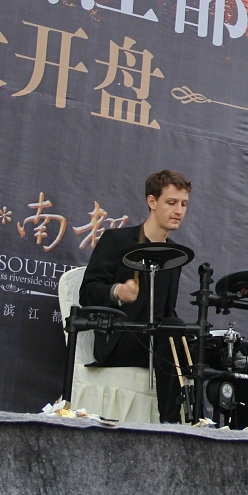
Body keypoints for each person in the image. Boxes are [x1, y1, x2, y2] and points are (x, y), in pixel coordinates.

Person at [80, 169, 192, 423]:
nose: (179, 211)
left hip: (160, 339)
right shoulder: (117, 240)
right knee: (172, 329)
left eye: (184, 204)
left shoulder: (175, 254)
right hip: (120, 339)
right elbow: (87, 292)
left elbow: (167, 311)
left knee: (231, 351)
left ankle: (242, 431)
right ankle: (171, 425)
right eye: (171, 202)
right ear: (152, 201)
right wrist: (117, 291)